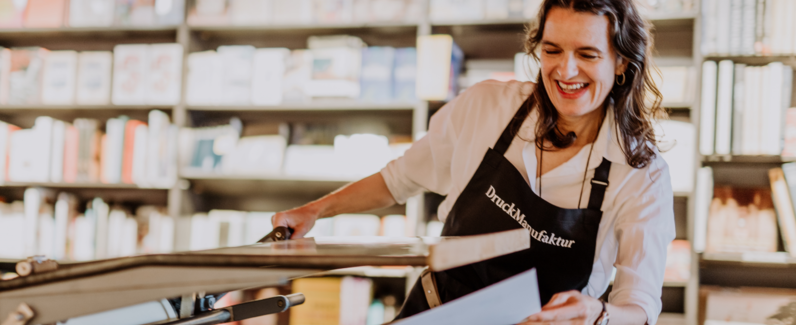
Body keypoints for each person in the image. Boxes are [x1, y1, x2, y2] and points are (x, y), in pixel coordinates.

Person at [272, 0, 675, 324]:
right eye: (552, 50)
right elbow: (398, 180)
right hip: (434, 314)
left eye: (587, 54)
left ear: (622, 62)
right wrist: (316, 210)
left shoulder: (641, 174)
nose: (566, 70)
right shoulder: (487, 108)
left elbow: (638, 305)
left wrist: (598, 313)